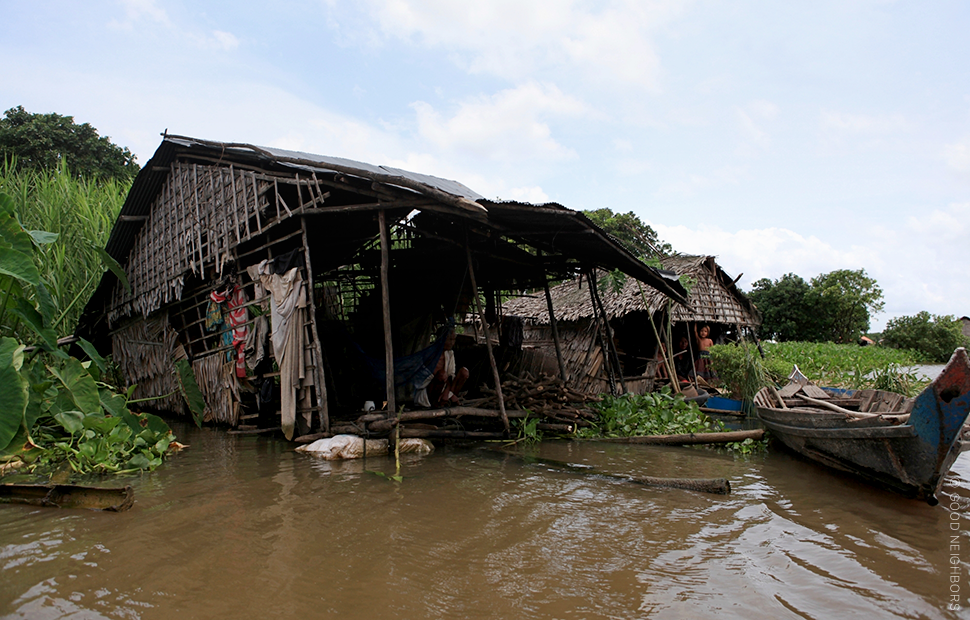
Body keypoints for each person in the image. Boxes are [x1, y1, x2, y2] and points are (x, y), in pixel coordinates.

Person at [427, 329, 469, 406]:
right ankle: (437, 402)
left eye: (453, 340)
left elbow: (450, 375)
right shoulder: (431, 354)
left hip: (445, 386)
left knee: (464, 372)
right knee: (442, 374)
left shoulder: (449, 353)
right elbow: (431, 378)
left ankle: (450, 398)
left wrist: (448, 393)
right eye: (450, 340)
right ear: (441, 339)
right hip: (431, 389)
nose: (452, 343)